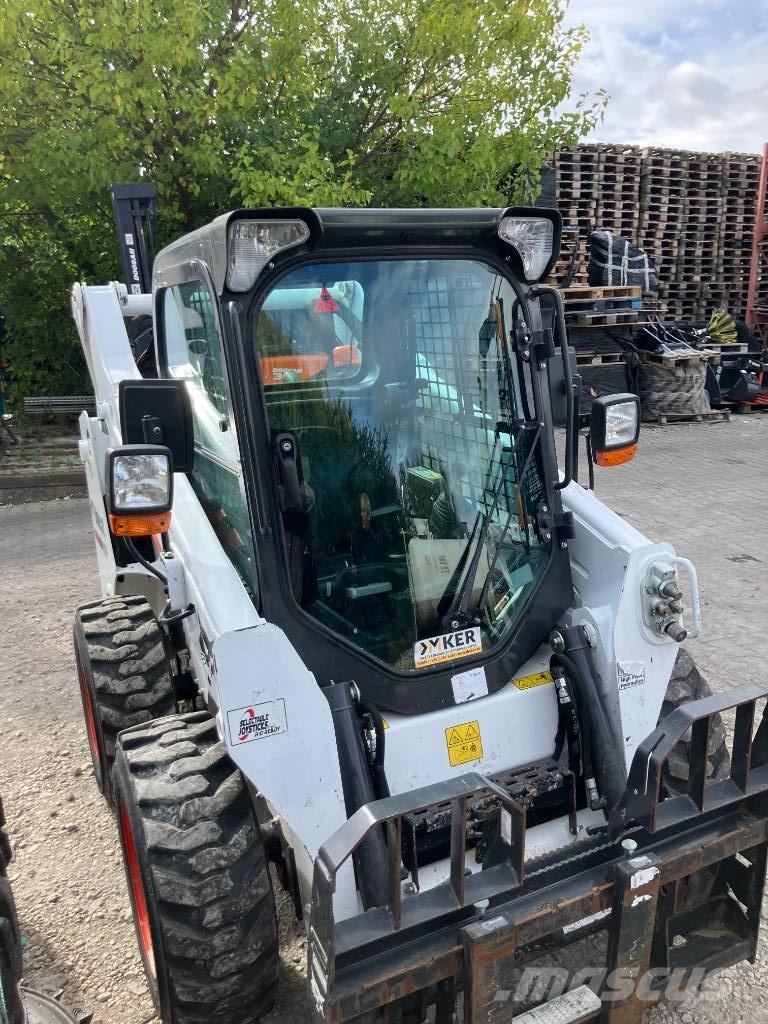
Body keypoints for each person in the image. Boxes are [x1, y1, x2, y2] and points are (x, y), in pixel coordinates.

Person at [352, 492, 386, 564]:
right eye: (359, 511)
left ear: (369, 513)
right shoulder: (355, 536)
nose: (361, 514)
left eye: (363, 510)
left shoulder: (379, 533)